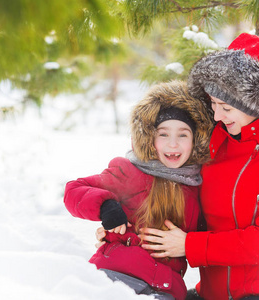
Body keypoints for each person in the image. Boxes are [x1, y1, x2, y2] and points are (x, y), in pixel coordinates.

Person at [138, 33, 259, 300]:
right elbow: (167, 187)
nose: (217, 116)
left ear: (256, 102)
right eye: (213, 104)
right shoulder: (211, 142)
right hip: (211, 293)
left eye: (226, 108)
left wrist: (189, 245)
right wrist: (120, 229)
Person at [63, 81, 214, 300]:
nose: (173, 144)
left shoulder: (195, 187)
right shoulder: (129, 172)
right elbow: (73, 191)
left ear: (196, 141)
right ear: (150, 139)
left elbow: (208, 237)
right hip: (114, 276)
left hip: (163, 288)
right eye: (163, 135)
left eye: (182, 135)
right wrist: (106, 206)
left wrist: (189, 245)